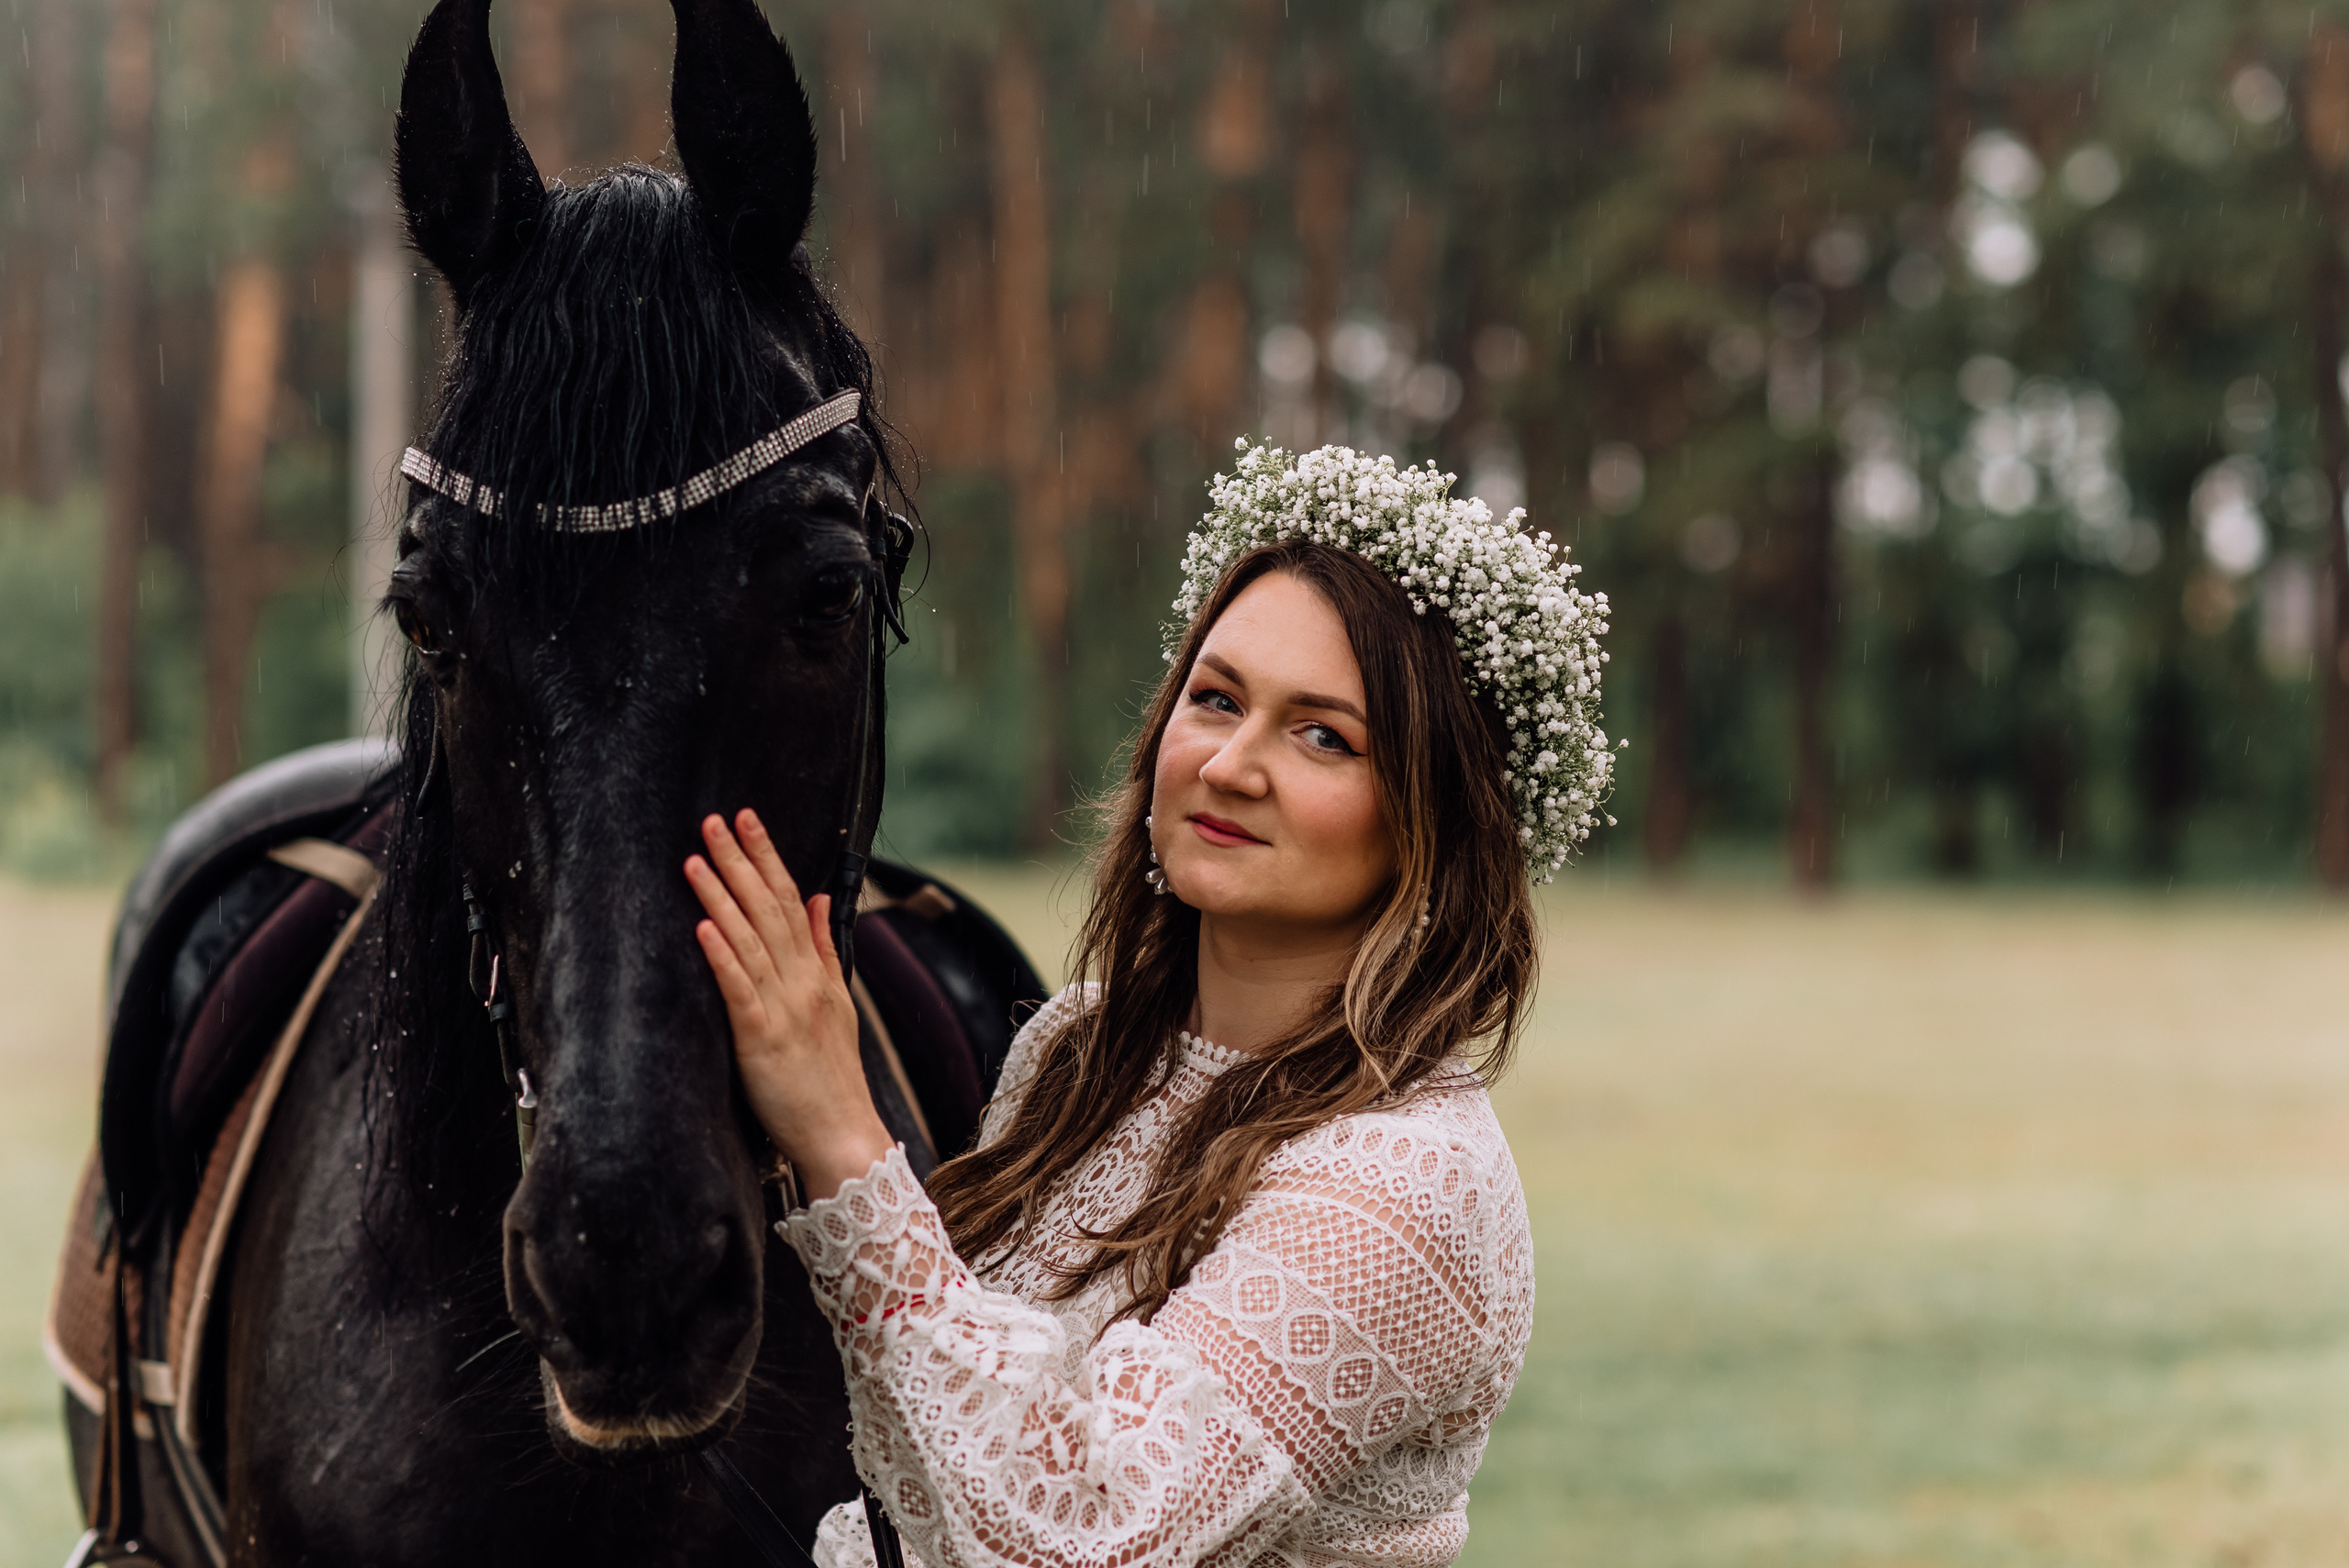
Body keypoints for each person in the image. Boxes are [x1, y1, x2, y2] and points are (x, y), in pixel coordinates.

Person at [685, 440, 1614, 1568]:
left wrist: (841, 1137)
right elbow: (927, 1440)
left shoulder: (1405, 1180)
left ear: (1436, 814)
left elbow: (1077, 1532)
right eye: (1215, 698)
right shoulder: (1074, 1049)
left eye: (1324, 734)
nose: (1231, 763)